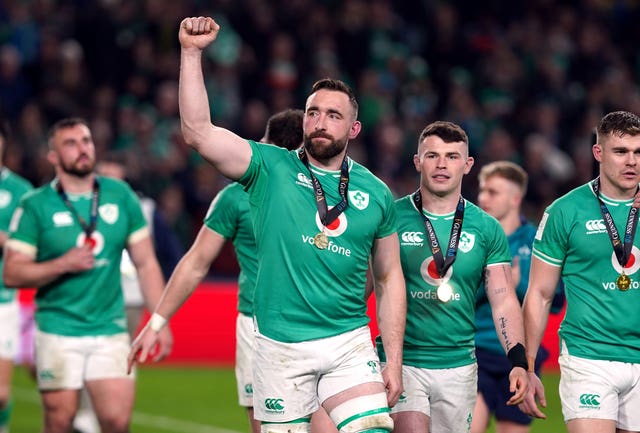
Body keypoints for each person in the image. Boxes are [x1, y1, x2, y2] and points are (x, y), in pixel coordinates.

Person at [129, 16, 406, 433]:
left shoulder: (377, 192)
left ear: (354, 127)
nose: (320, 121)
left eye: (334, 114)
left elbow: (388, 277)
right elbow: (199, 133)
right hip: (279, 344)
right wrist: (190, 53)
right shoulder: (267, 167)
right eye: (313, 112)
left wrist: (394, 359)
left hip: (348, 341)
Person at [3, 117, 173, 433]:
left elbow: (146, 262)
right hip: (57, 328)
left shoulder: (120, 195)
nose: (82, 149)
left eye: (86, 141)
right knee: (59, 420)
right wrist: (60, 264)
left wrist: (159, 321)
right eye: (71, 143)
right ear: (52, 156)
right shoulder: (35, 205)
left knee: (116, 421)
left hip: (110, 328)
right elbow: (12, 272)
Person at [376, 121, 529, 433]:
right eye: (432, 156)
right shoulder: (391, 216)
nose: (442, 164)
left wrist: (519, 360)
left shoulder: (486, 227)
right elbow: (366, 284)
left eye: (452, 156)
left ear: (468, 164)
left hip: (459, 365)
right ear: (417, 161)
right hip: (404, 360)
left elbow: (503, 300)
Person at [520, 110, 640, 433]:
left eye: (638, 152)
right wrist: (527, 365)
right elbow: (540, 293)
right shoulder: (565, 211)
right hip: (589, 356)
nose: (632, 161)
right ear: (598, 153)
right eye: (621, 151)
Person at [70, 153, 185, 433]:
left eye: (114, 175)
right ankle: (90, 415)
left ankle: (103, 416)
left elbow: (170, 254)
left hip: (130, 299)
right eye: (104, 175)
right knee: (87, 354)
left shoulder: (144, 209)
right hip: (90, 296)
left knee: (117, 357)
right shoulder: (83, 206)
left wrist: (161, 298)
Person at [472, 161, 564, 433]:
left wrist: (519, 285)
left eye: (492, 192)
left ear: (515, 198)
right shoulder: (471, 239)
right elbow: (458, 296)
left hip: (520, 359)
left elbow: (555, 300)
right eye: (482, 191)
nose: (483, 198)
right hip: (476, 352)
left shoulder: (537, 241)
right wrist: (492, 285)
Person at [0, 123, 33, 433]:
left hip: (3, 299)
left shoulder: (20, 191)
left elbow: (36, 243)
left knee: (0, 394)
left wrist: (5, 239)